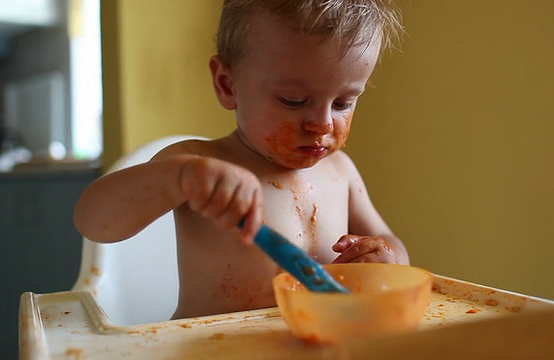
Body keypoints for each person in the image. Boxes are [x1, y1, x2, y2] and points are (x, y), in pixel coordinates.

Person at [74, 0, 409, 319]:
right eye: (293, 100)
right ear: (227, 84)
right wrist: (178, 179)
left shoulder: (341, 173)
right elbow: (94, 221)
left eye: (343, 103)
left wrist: (387, 258)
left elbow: (391, 244)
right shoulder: (197, 165)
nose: (322, 123)